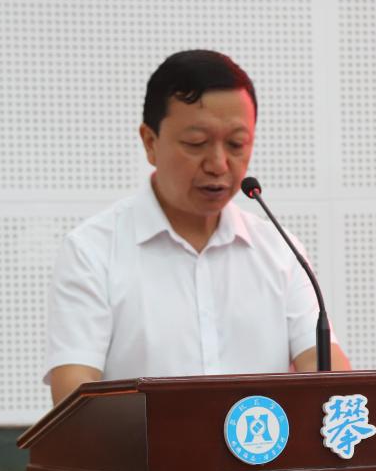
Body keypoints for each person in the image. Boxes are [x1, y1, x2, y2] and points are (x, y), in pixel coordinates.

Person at [44, 49, 349, 404]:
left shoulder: (280, 250)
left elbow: (328, 375)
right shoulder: (92, 251)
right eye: (196, 143)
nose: (218, 164)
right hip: (142, 443)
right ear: (150, 142)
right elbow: (74, 395)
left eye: (236, 144)